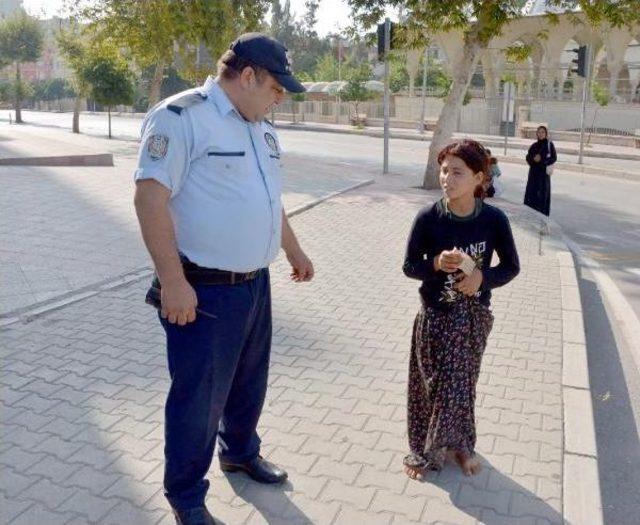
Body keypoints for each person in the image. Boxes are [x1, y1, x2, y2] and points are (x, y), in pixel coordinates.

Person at [133, 33, 314, 525]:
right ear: (249, 76)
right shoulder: (182, 117)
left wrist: (293, 249)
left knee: (248, 382)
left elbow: (268, 199)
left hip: (255, 284)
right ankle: (186, 496)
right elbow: (150, 200)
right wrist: (172, 281)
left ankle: (239, 451)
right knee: (198, 400)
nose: (281, 99)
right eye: (277, 88)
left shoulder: (261, 128)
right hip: (202, 290)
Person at [402, 139, 520, 479]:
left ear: (478, 178)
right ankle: (422, 450)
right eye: (443, 170)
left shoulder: (493, 220)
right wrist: (437, 263)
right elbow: (410, 267)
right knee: (428, 385)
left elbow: (511, 266)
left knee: (463, 385)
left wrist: (482, 279)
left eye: (457, 172)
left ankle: (462, 447)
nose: (447, 179)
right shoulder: (428, 218)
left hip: (472, 318)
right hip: (434, 314)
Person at [524, 125, 556, 216]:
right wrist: (533, 159)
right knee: (532, 196)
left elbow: (554, 158)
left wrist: (542, 160)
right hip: (533, 175)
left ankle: (542, 219)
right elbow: (528, 157)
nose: (541, 134)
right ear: (536, 134)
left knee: (542, 197)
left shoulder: (549, 145)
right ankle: (530, 217)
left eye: (543, 132)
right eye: (539, 132)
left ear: (546, 134)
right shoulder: (534, 146)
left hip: (543, 176)